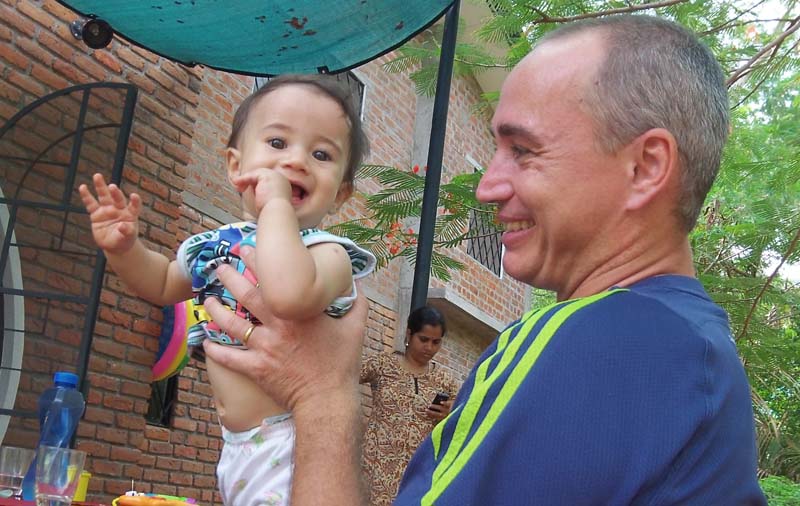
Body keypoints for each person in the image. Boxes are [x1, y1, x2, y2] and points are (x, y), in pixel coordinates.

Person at [201, 14, 767, 506]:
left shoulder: (598, 340)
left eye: (523, 150)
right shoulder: (694, 347)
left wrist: (321, 396)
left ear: (645, 167)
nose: (486, 186)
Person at [78, 74, 376, 505]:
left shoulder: (328, 255)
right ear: (236, 166)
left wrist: (276, 205)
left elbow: (289, 294)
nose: (296, 161)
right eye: (278, 143)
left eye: (321, 154)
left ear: (341, 194)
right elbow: (162, 283)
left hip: (292, 444)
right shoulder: (214, 245)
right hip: (236, 447)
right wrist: (125, 250)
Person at [360, 305, 459, 505]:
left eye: (436, 342)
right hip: (375, 470)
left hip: (418, 476)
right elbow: (340, 376)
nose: (429, 347)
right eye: (423, 339)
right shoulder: (383, 365)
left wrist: (451, 414)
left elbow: (466, 422)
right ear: (409, 334)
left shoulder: (445, 382)